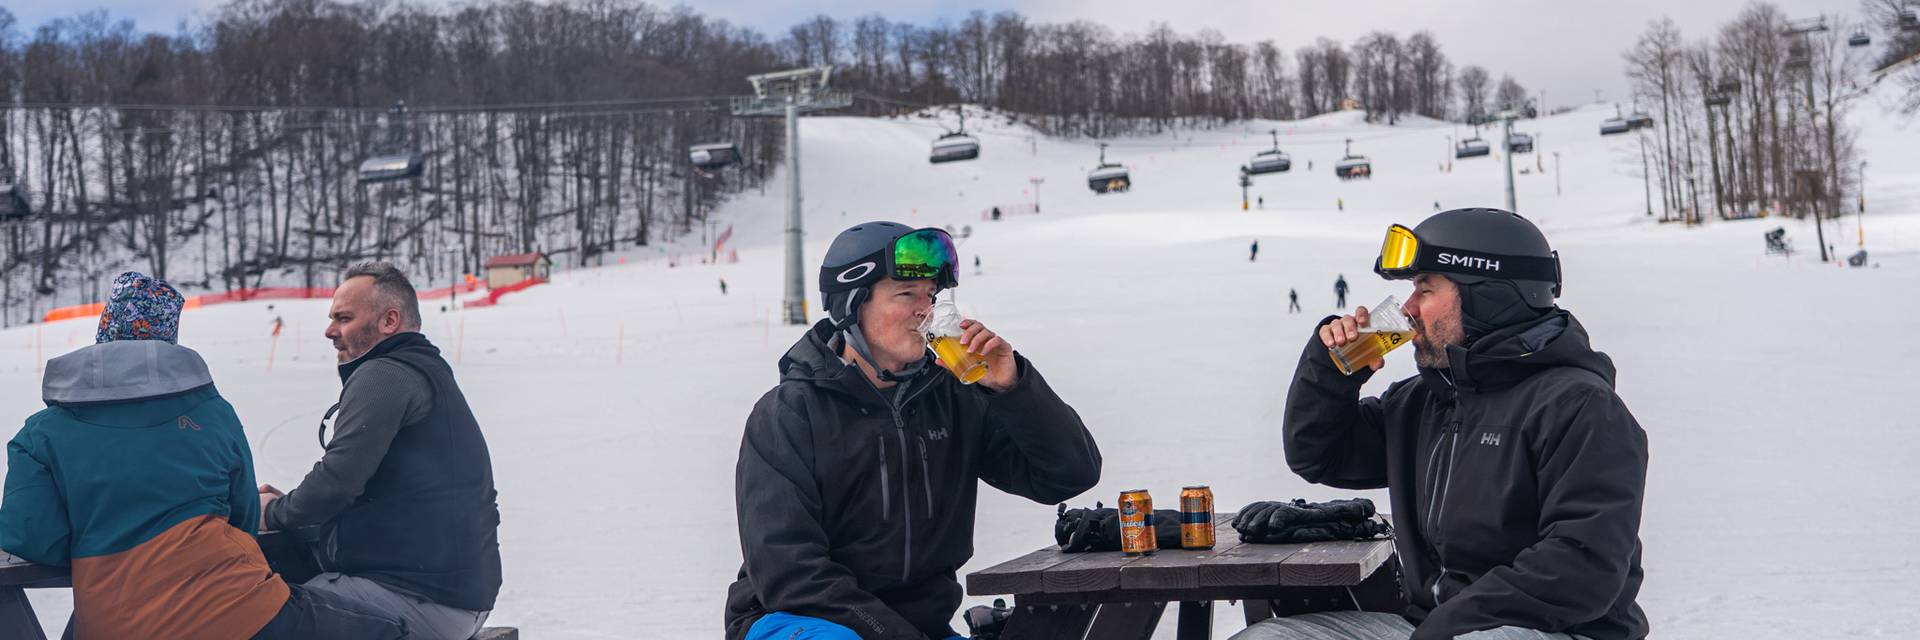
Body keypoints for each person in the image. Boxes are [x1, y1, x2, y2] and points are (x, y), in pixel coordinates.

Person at [1236, 208, 1648, 640]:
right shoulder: (1426, 401)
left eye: (1425, 291)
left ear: (1488, 298)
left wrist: (1447, 626)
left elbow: (1581, 566)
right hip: (1434, 626)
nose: (1408, 310)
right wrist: (1332, 371)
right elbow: (1319, 455)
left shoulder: (1580, 408)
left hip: (1551, 630)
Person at [724, 222, 1102, 640]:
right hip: (796, 622)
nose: (926, 310)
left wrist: (1012, 387)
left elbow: (1069, 475)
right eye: (906, 295)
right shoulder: (788, 415)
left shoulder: (955, 398)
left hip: (917, 629)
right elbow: (790, 574)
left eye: (931, 296)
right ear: (851, 306)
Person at [0, 272, 404, 639]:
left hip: (117, 624)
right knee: (391, 631)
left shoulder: (42, 432)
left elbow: (30, 537)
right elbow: (243, 518)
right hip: (246, 612)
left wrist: (105, 538)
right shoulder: (211, 411)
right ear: (169, 338)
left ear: (105, 329)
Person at [260, 261, 502, 640]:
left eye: (343, 318)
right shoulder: (421, 369)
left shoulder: (386, 374)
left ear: (390, 321)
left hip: (423, 599)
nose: (330, 331)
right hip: (450, 593)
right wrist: (290, 507)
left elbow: (337, 482)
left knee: (251, 610)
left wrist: (272, 514)